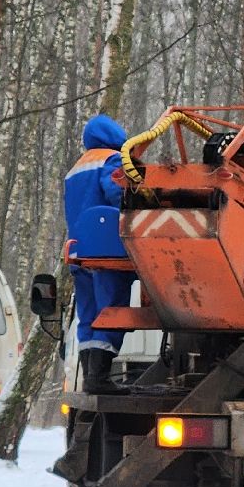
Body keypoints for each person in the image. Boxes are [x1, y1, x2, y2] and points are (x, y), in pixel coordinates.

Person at [64, 114, 133, 394]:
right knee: (112, 310)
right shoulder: (111, 160)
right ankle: (100, 376)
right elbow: (117, 194)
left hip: (79, 250)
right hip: (107, 251)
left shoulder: (75, 169)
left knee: (89, 314)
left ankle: (91, 377)